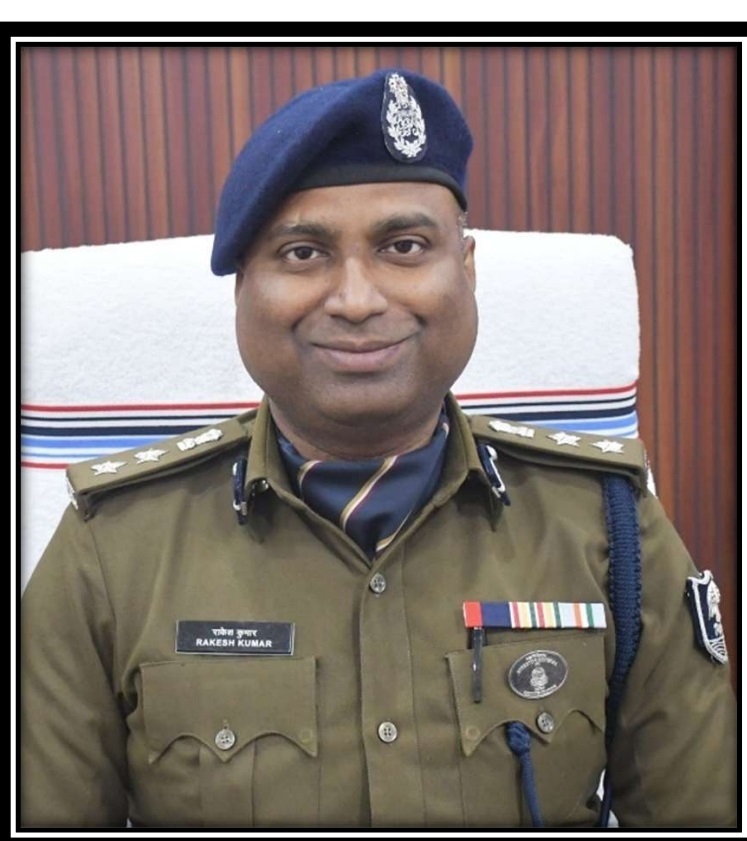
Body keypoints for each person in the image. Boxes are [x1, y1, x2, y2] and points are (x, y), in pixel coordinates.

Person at [20, 67, 737, 829]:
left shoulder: (607, 525)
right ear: (241, 290)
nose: (357, 300)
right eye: (302, 253)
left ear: (465, 270)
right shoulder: (112, 548)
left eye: (404, 246)